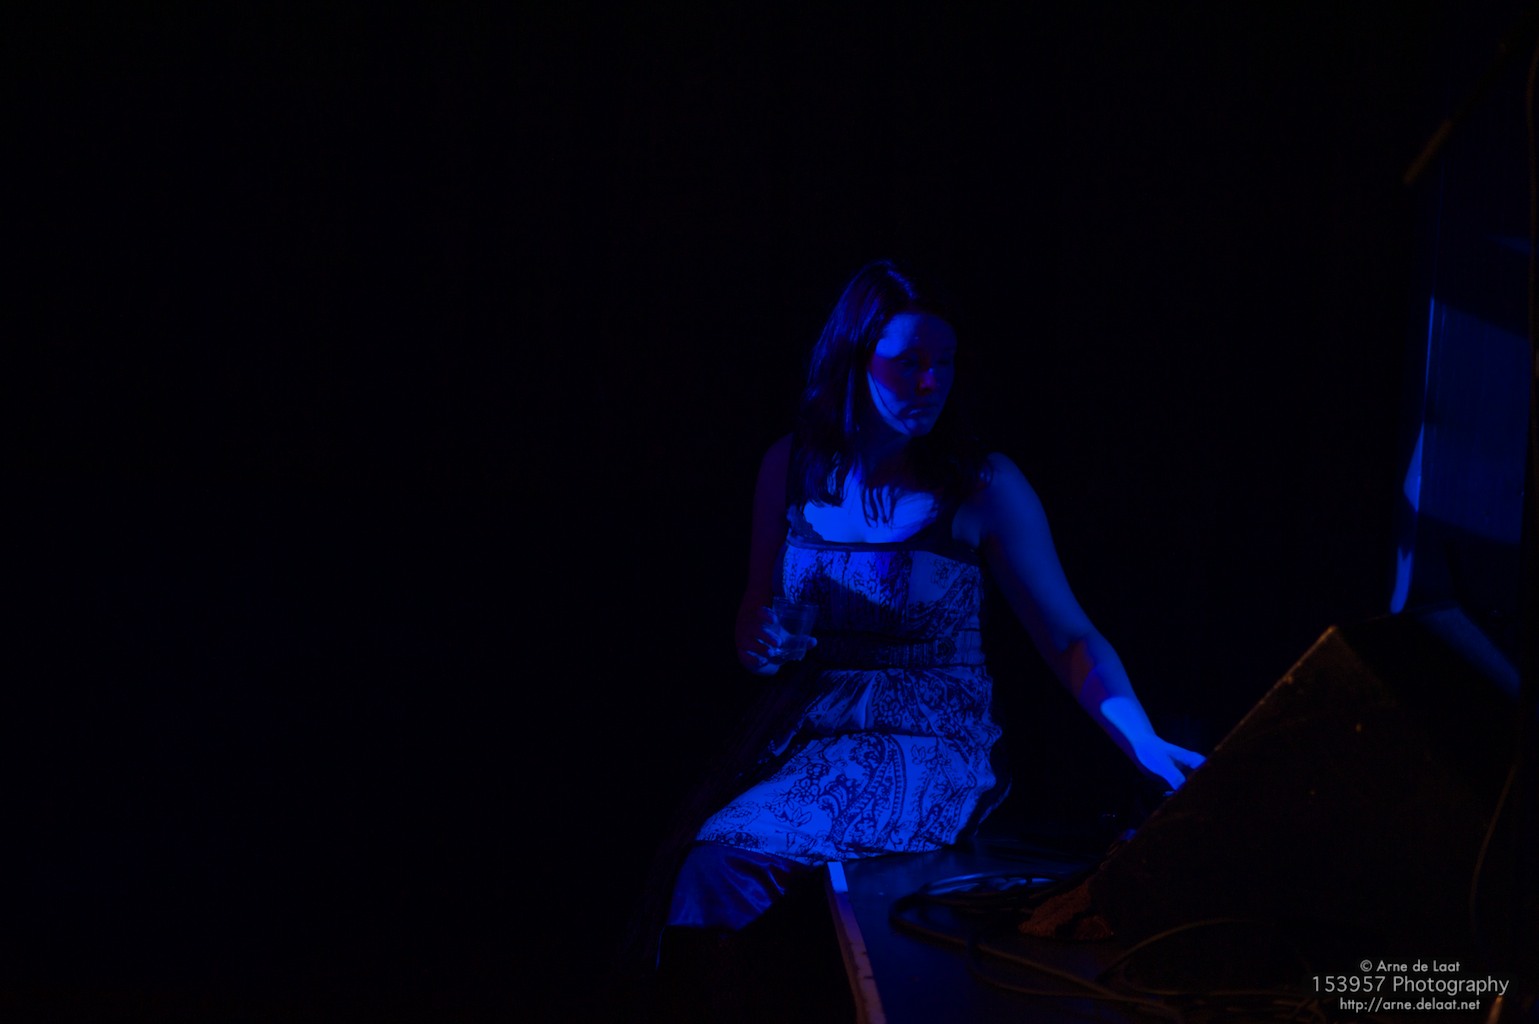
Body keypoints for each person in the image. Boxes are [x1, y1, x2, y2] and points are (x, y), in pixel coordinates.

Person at [632, 258, 1206, 1020]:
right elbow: (752, 614)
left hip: (926, 737)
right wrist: (756, 639)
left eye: (945, 362)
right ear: (853, 359)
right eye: (908, 362)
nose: (930, 382)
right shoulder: (791, 465)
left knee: (726, 865)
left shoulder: (980, 484)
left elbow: (1070, 638)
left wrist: (1139, 740)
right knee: (706, 868)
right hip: (804, 729)